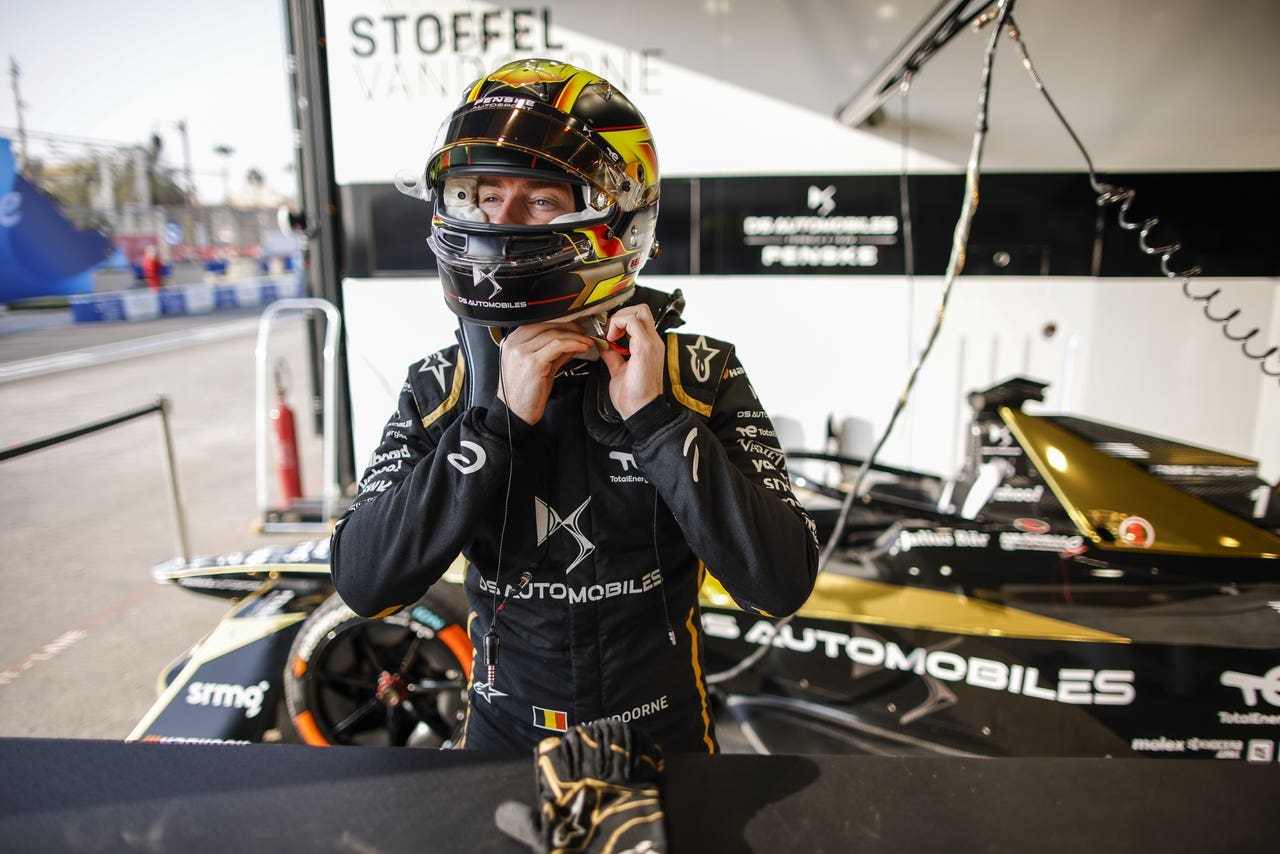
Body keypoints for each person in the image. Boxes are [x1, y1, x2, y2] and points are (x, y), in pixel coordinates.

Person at [330, 58, 819, 753]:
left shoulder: (699, 374)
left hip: (666, 747)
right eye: (483, 195)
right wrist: (495, 427)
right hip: (501, 751)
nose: (500, 222)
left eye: (540, 200)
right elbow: (365, 582)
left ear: (620, 217)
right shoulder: (442, 387)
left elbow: (780, 584)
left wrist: (657, 421)